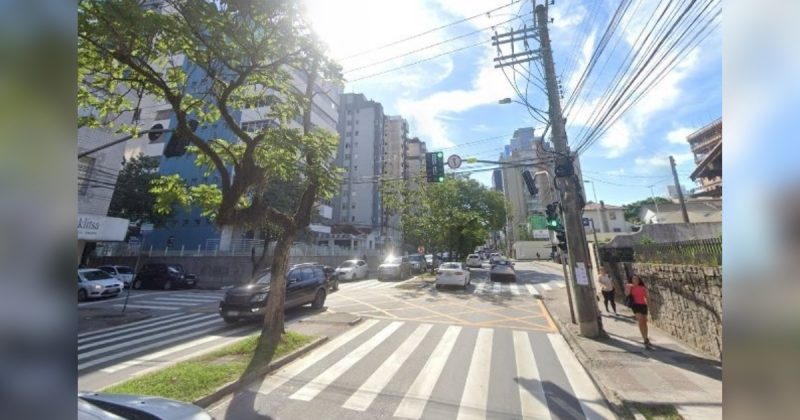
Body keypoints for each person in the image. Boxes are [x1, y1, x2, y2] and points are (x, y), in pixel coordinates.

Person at [625, 274, 653, 349]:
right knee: (640, 321)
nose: (635, 280)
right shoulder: (629, 286)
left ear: (639, 280)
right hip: (635, 305)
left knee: (644, 322)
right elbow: (627, 294)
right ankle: (644, 339)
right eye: (634, 279)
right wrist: (629, 287)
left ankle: (646, 337)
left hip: (643, 305)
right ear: (631, 280)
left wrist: (650, 306)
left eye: (637, 279)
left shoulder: (643, 288)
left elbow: (647, 297)